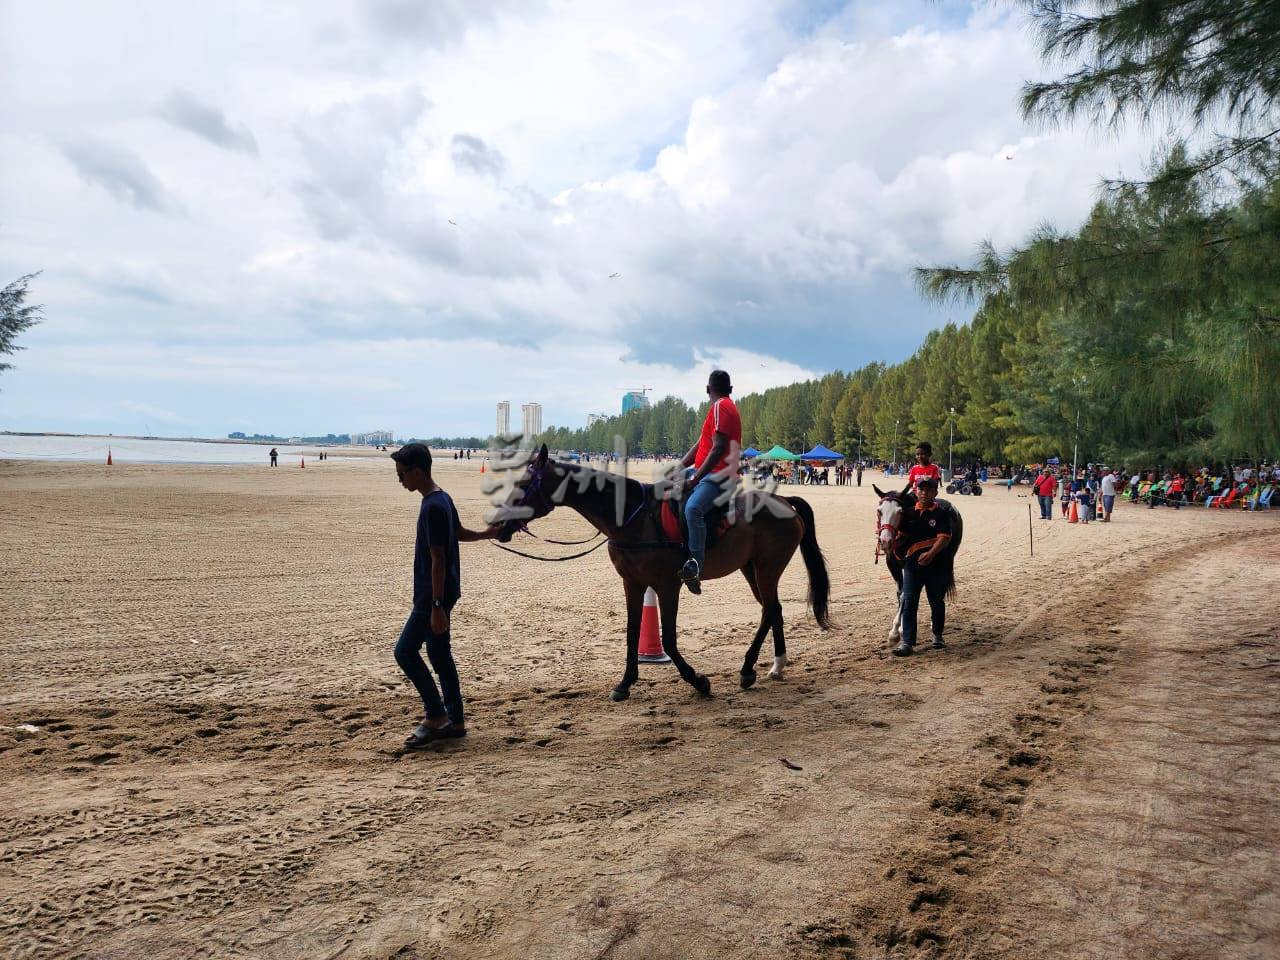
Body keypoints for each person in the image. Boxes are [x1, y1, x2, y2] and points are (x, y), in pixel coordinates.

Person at [390, 443, 498, 748]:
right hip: (444, 591)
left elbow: (438, 558)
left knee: (405, 652)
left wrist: (436, 606)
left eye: (402, 474)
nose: (400, 480)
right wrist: (487, 534)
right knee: (439, 654)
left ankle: (436, 714)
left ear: (419, 471)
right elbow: (459, 533)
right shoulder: (442, 499)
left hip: (432, 595)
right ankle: (456, 720)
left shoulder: (433, 506)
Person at [675, 369, 741, 594]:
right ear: (731, 389)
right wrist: (679, 468)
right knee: (667, 491)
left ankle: (696, 565)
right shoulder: (720, 408)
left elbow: (718, 448)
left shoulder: (720, 406)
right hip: (710, 472)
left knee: (693, 509)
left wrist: (694, 479)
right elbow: (700, 445)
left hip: (720, 476)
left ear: (707, 389)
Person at [892, 476, 953, 657]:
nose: (924, 493)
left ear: (935, 493)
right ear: (916, 492)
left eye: (928, 490)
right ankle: (908, 642)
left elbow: (944, 537)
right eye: (921, 489)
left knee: (936, 602)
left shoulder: (941, 514)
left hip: (936, 565)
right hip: (912, 567)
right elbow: (900, 537)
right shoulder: (908, 514)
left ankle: (937, 635)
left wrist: (931, 554)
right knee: (909, 602)